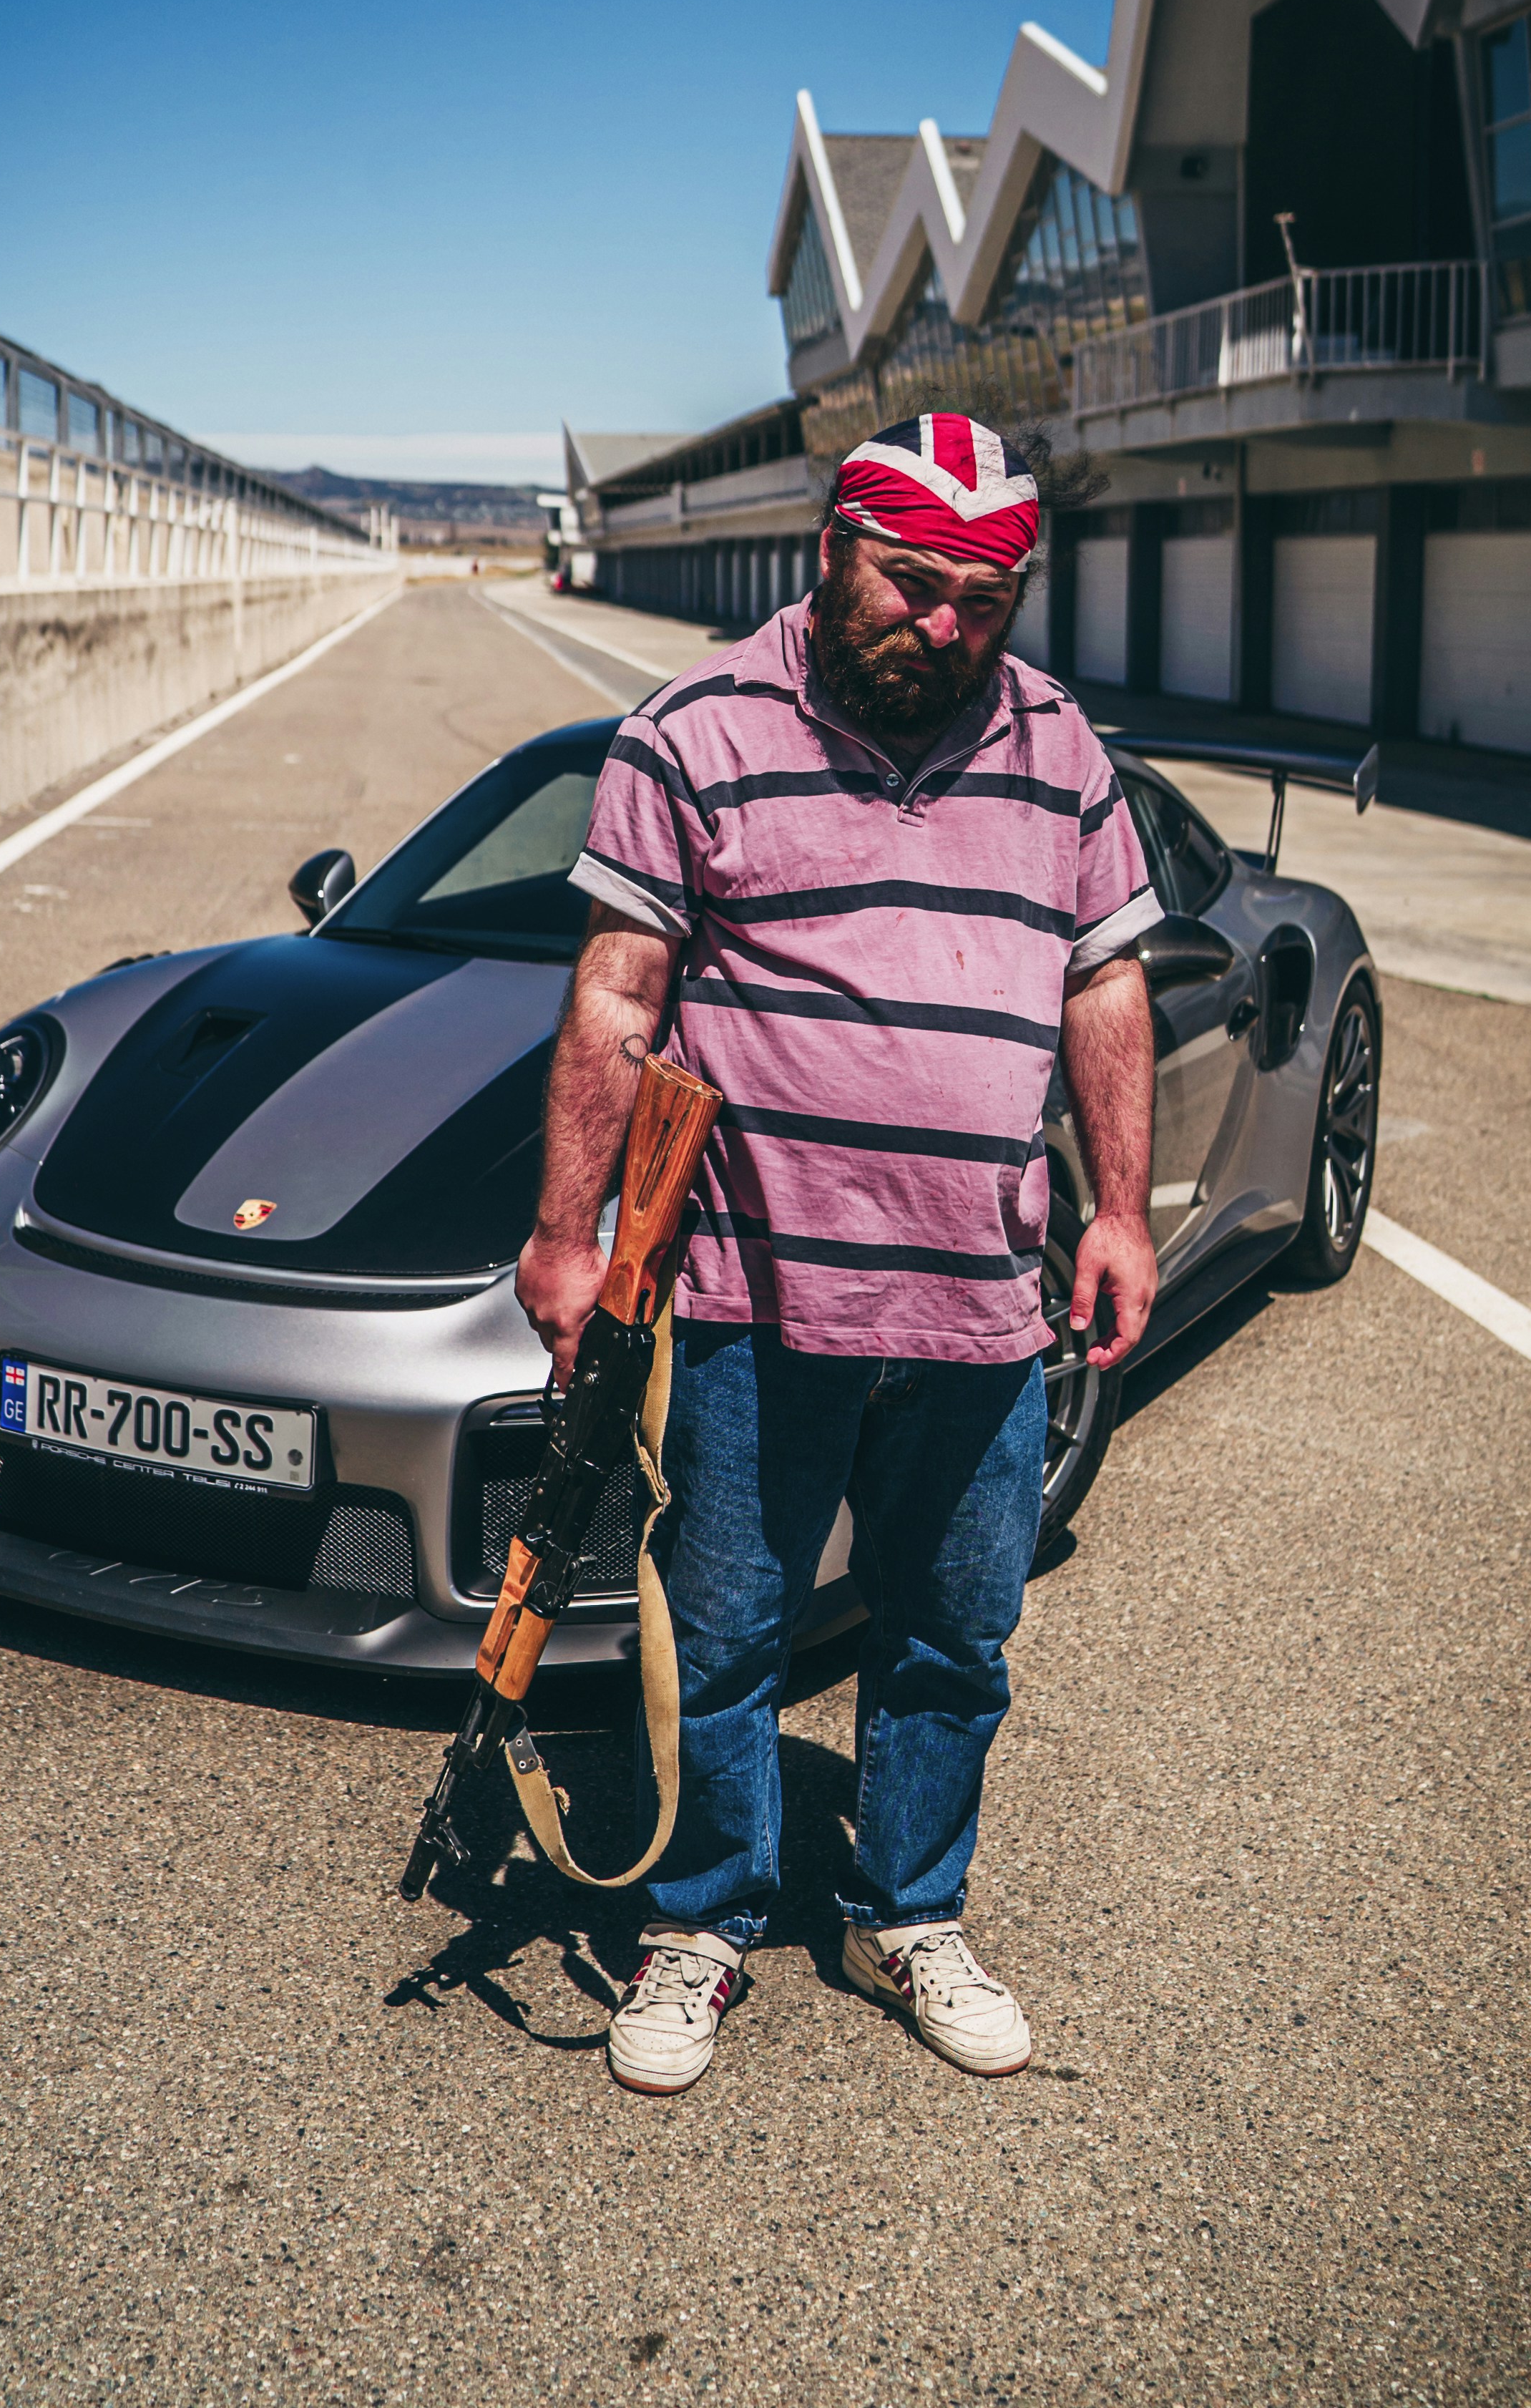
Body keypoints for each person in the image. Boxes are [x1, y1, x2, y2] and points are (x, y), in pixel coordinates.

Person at [515, 411, 1162, 2096]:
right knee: (725, 1632)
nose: (943, 624)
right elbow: (617, 994)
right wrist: (566, 1234)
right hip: (754, 1295)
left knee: (953, 1635)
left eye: (983, 599)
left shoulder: (1060, 748)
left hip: (981, 1302)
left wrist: (1118, 1206)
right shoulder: (692, 733)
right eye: (910, 582)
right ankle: (701, 1921)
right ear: (831, 547)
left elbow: (1105, 978)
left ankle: (911, 1909)